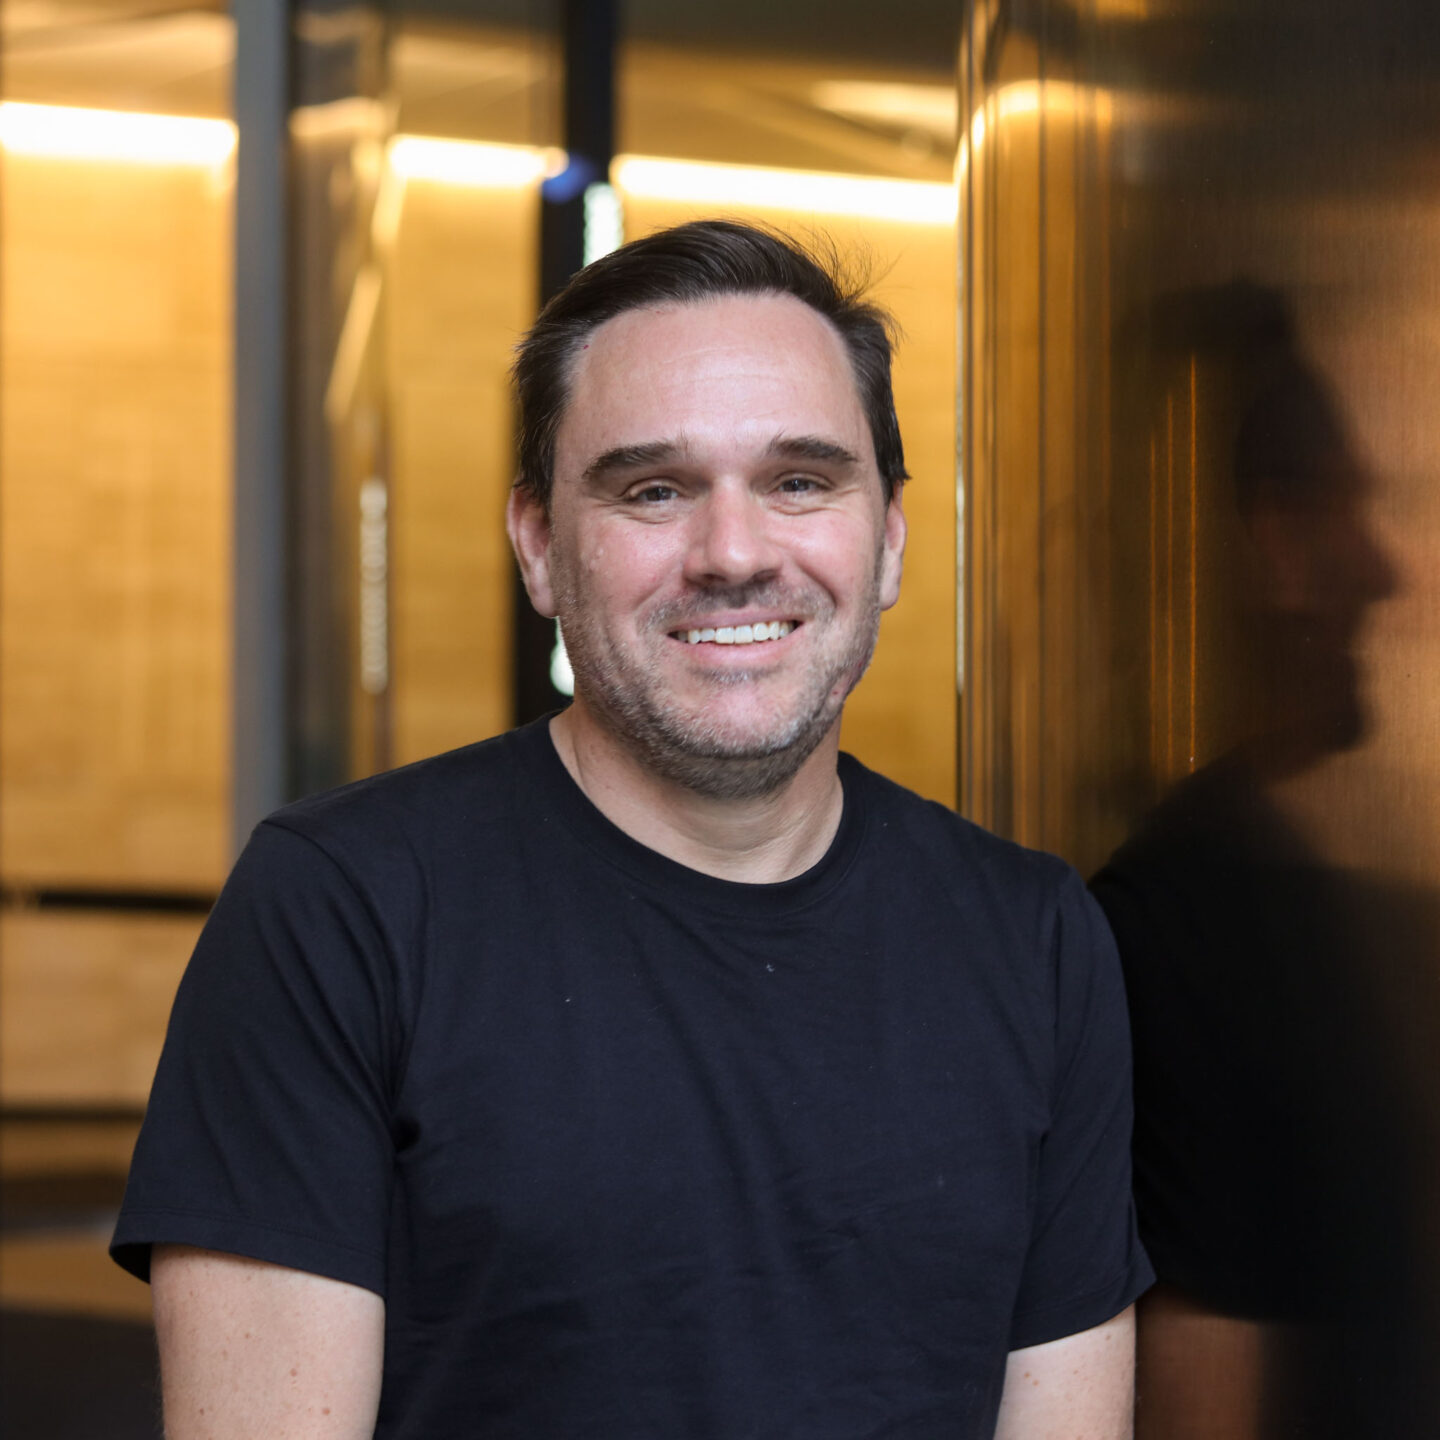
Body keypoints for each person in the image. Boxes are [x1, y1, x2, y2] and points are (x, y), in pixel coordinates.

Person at [112, 219, 1150, 1439]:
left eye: (800, 481)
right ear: (539, 546)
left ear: (890, 537)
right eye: (654, 490)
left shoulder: (1034, 939)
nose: (733, 554)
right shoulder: (343, 910)